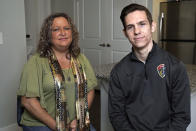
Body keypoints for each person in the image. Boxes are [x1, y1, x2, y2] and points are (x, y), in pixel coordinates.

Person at [108, 3, 191, 131]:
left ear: (152, 26)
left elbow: (181, 116)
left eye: (142, 24)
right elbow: (116, 115)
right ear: (125, 33)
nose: (137, 31)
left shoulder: (175, 67)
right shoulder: (119, 72)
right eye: (130, 27)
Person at [17, 12, 97, 131]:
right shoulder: (36, 62)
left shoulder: (80, 58)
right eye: (56, 29)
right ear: (48, 35)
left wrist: (79, 119)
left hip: (75, 122)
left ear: (72, 33)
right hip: (42, 123)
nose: (63, 33)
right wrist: (57, 126)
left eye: (66, 28)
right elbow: (28, 101)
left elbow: (90, 90)